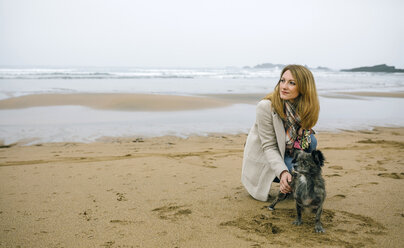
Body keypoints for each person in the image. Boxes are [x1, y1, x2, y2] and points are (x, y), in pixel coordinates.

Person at [241, 64, 320, 201]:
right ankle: (288, 176)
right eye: (282, 80)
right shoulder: (266, 107)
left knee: (311, 141)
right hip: (267, 157)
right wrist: (284, 172)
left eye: (291, 83)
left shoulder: (304, 107)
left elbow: (305, 144)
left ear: (303, 88)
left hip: (287, 151)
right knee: (294, 173)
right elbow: (269, 146)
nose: (284, 86)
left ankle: (294, 179)